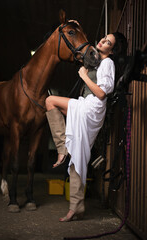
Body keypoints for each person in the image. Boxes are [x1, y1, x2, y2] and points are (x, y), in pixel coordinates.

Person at [45, 32, 127, 222]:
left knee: (50, 101)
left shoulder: (108, 63)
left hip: (92, 108)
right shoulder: (97, 59)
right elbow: (77, 48)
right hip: (87, 106)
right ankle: (76, 207)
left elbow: (102, 93)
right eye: (104, 38)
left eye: (108, 42)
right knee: (77, 158)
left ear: (112, 50)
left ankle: (61, 149)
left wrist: (83, 76)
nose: (102, 41)